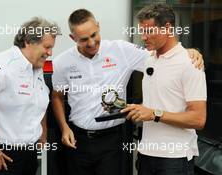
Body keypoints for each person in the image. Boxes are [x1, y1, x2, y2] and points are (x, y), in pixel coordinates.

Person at [51, 9, 203, 175]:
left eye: (94, 35)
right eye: (84, 39)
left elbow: (162, 54)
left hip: (113, 141)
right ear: (73, 38)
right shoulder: (61, 62)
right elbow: (57, 96)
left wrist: (190, 52)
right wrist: (64, 127)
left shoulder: (121, 50)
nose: (92, 42)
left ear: (98, 27)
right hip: (78, 140)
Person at [0, 17, 60, 175]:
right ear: (29, 41)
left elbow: (37, 101)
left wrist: (42, 132)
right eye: (47, 47)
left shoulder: (36, 67)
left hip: (26, 156)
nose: (50, 53)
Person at [121, 3, 207, 175]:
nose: (143, 37)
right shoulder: (149, 59)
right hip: (146, 154)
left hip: (175, 158)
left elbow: (198, 119)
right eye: (142, 31)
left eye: (149, 31)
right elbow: (160, 100)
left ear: (167, 28)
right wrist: (138, 111)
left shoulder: (190, 63)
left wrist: (154, 114)